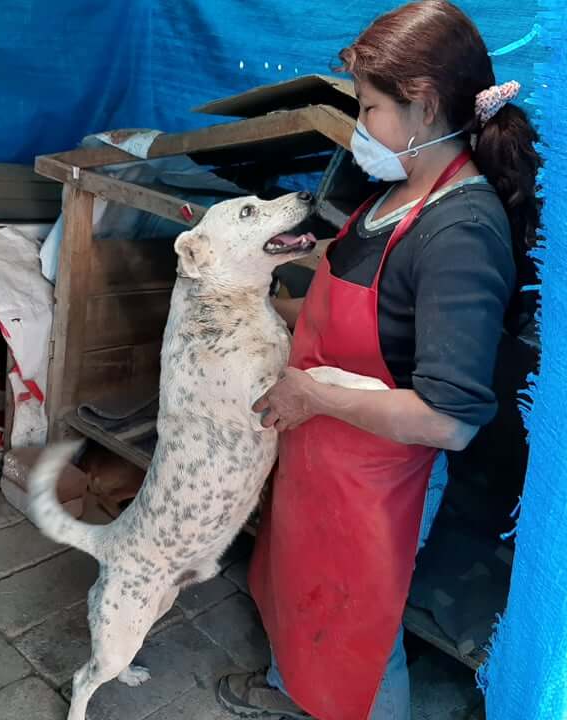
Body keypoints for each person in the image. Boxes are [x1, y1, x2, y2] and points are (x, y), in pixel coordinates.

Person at [216, 2, 542, 718]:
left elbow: (448, 421)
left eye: (367, 108)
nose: (359, 126)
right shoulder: (391, 194)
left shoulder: (461, 232)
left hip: (379, 482)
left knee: (359, 635)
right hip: (317, 459)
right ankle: (284, 688)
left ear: (422, 109)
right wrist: (247, 313)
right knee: (296, 592)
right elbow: (344, 311)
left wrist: (315, 396)